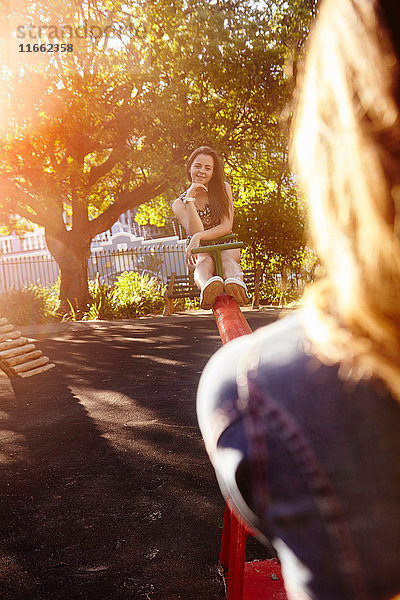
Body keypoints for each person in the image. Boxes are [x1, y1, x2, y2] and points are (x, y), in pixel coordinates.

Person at [197, 1, 400, 599]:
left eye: (209, 163)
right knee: (207, 260)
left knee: (223, 265)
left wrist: (204, 230)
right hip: (209, 245)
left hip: (226, 247)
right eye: (199, 164)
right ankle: (215, 282)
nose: (204, 169)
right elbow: (189, 225)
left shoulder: (261, 391)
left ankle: (223, 281)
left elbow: (222, 223)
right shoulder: (190, 192)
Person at [172, 146, 249, 310]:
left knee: (227, 259)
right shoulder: (179, 204)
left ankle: (237, 285)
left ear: (213, 173)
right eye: (197, 166)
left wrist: (198, 237)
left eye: (208, 168)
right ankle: (207, 289)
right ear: (190, 168)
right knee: (204, 262)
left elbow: (226, 226)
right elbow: (195, 230)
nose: (202, 171)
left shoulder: (223, 189)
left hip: (224, 243)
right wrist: (190, 199)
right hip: (200, 250)